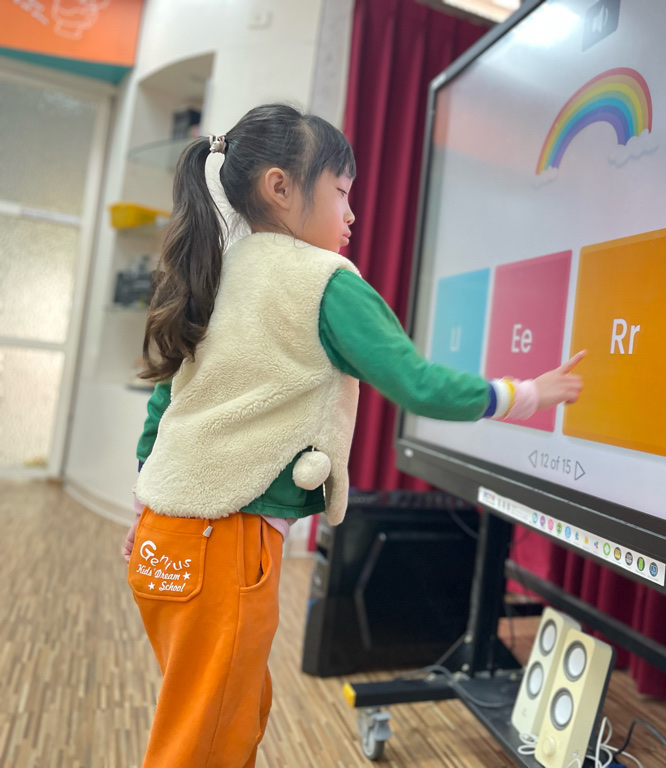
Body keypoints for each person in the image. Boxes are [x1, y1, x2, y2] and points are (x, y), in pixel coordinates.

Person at [122, 103, 584, 768]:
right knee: (207, 742)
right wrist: (526, 395)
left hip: (161, 541)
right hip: (222, 546)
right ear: (281, 188)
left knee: (224, 717)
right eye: (341, 192)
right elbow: (416, 383)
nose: (352, 213)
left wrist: (145, 503)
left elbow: (168, 400)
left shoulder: (215, 270)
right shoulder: (324, 282)